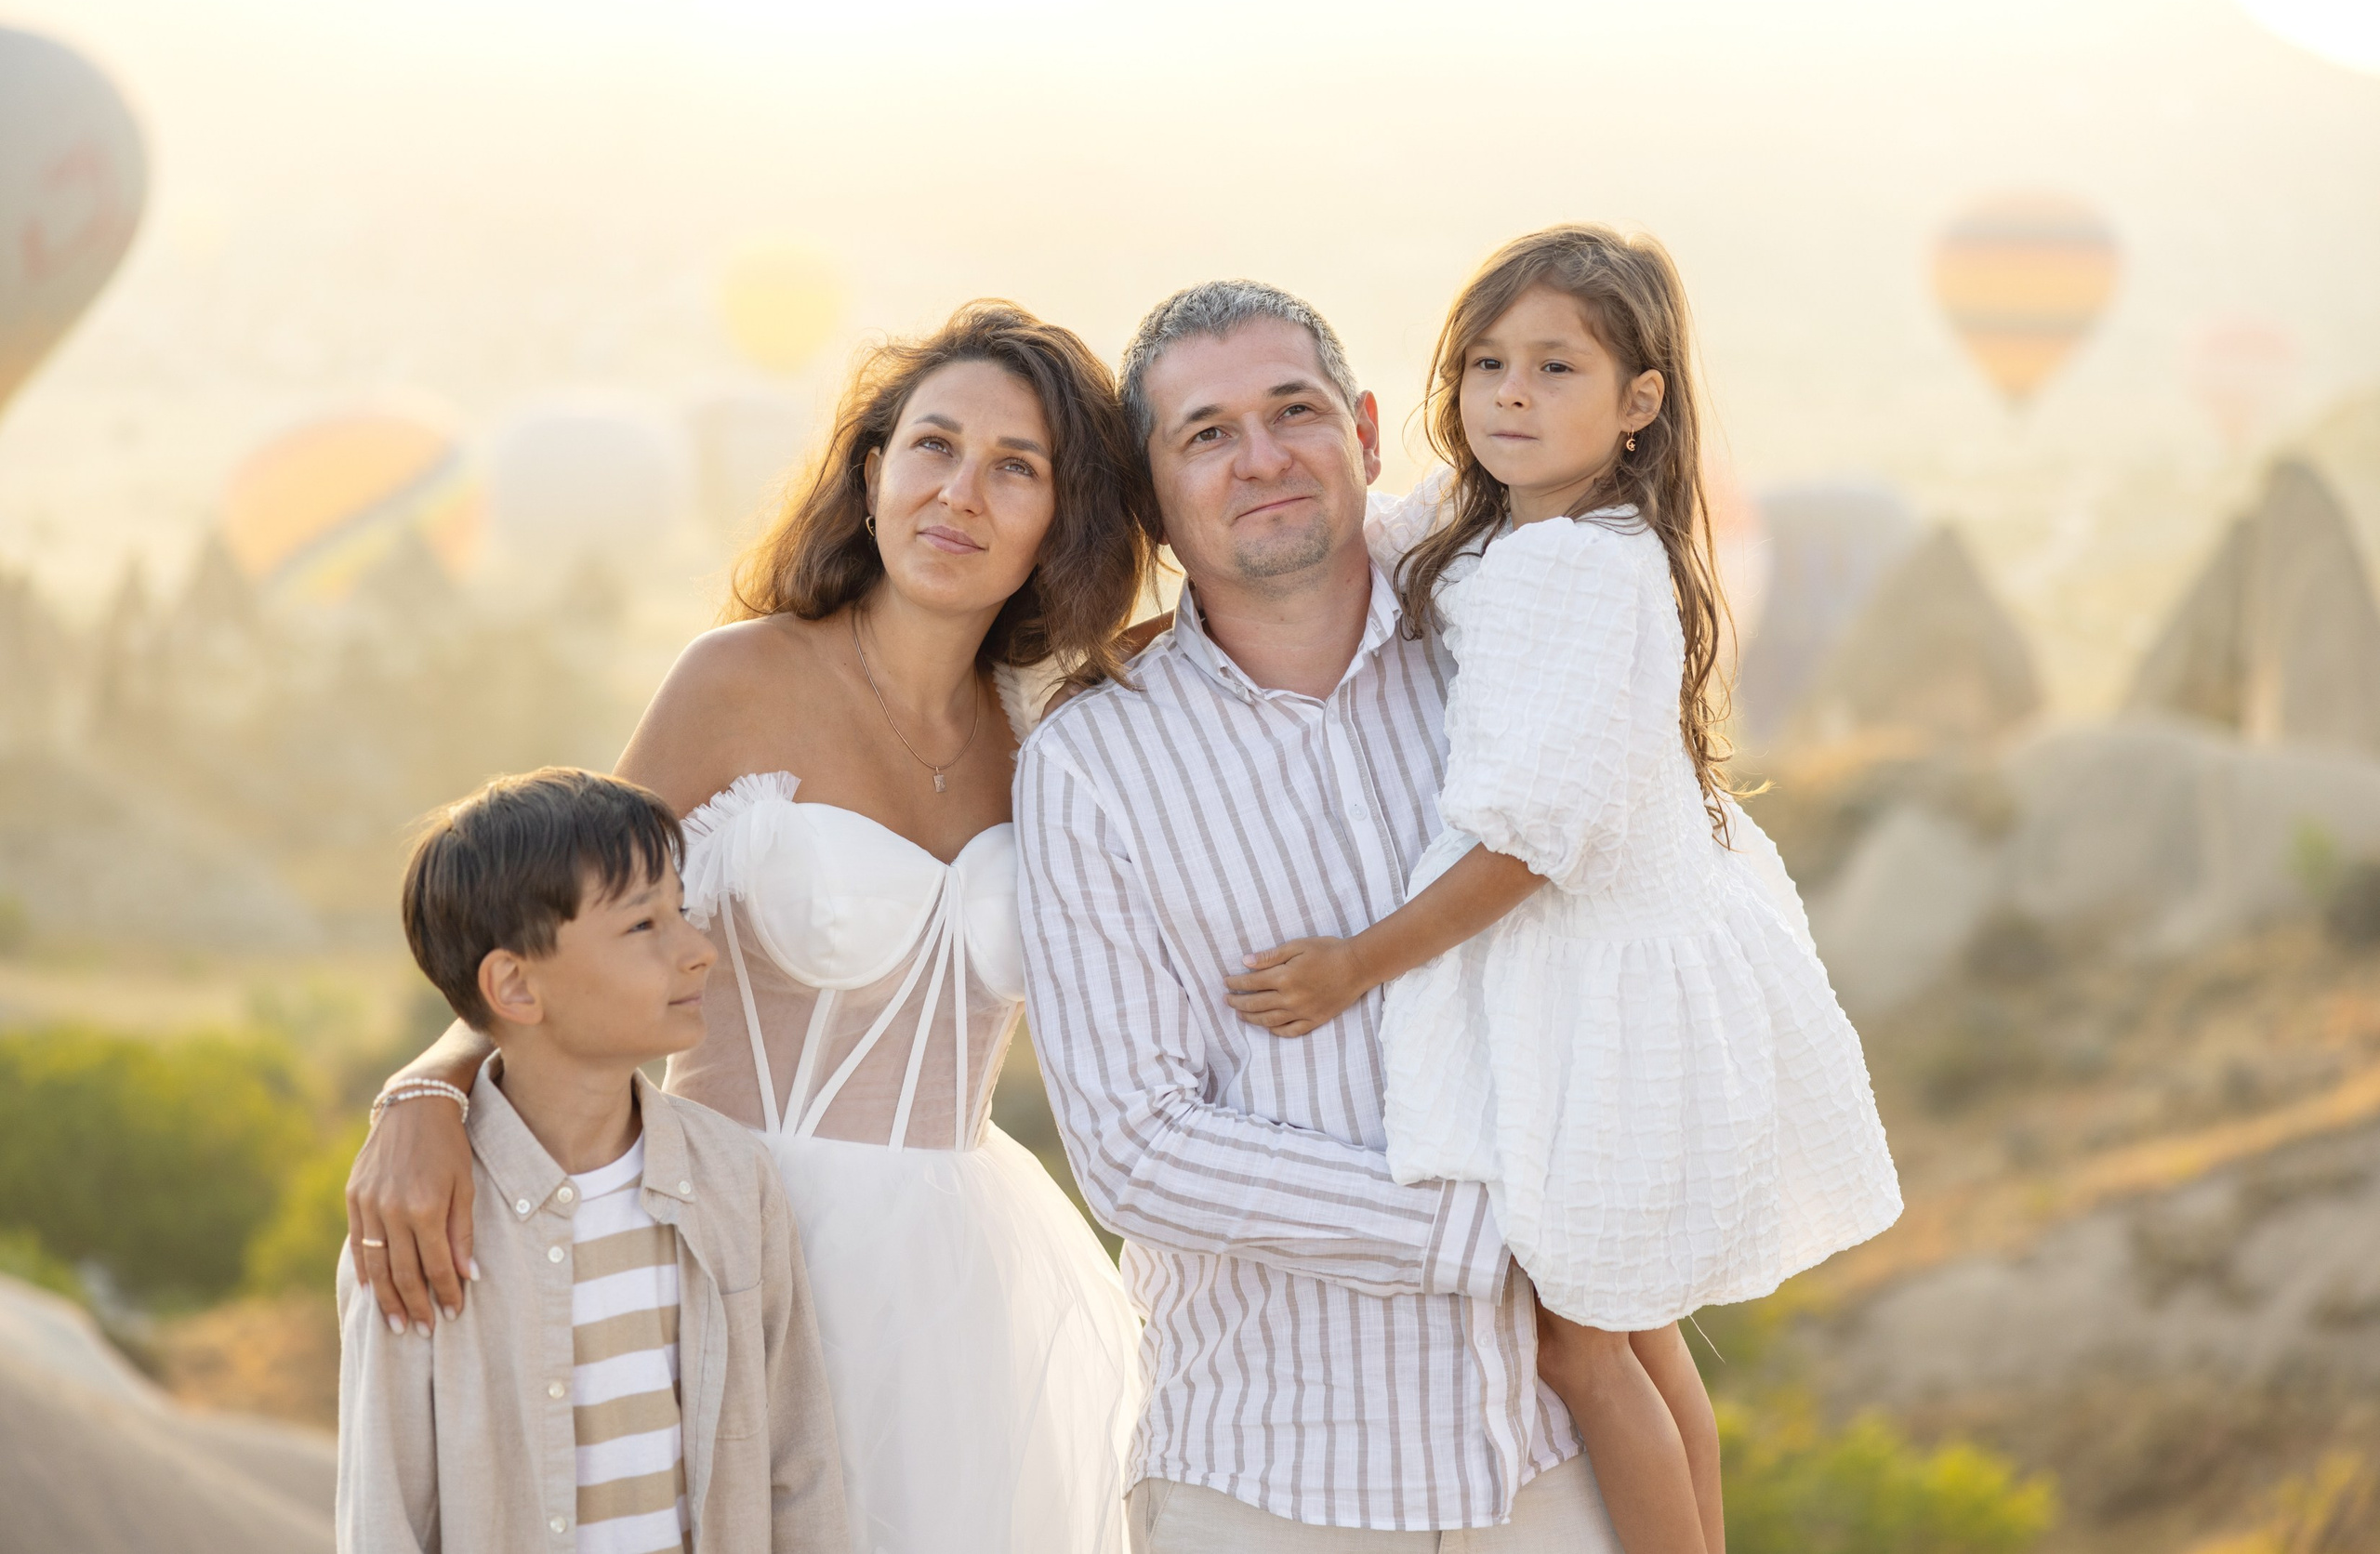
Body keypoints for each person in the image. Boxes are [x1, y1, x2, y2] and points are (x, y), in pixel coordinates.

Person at [345, 302, 1152, 1553]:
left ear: (1065, 514)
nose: (960, 494)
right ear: (873, 470)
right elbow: (554, 936)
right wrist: (425, 1091)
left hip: (961, 1276)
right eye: (932, 446)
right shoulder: (738, 679)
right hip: (723, 1229)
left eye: (1016, 467)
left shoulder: (1061, 730)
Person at [1220, 227, 1905, 1554]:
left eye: (1554, 367)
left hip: (1601, 979)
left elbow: (1532, 844)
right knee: (1630, 1319)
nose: (1511, 394)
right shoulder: (1512, 528)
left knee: (1577, 1340)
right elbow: (1354, 530)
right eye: (1486, 364)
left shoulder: (1577, 568)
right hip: (1613, 961)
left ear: (1639, 402)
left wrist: (1357, 964)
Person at [1017, 279, 1620, 1553]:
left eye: (1293, 411)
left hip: (1556, 1451)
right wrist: (1481, 1224)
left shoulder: (1495, 640)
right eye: (1207, 432)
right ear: (1154, 491)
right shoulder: (1091, 760)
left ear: (1363, 428)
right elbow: (1135, 1144)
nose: (1263, 457)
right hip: (1269, 1474)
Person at [337, 767, 847, 1554]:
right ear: (513, 982)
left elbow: (798, 1461)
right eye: (644, 926)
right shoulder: (420, 1220)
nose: (698, 951)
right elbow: (385, 1513)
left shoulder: (734, 1180)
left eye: (681, 911)